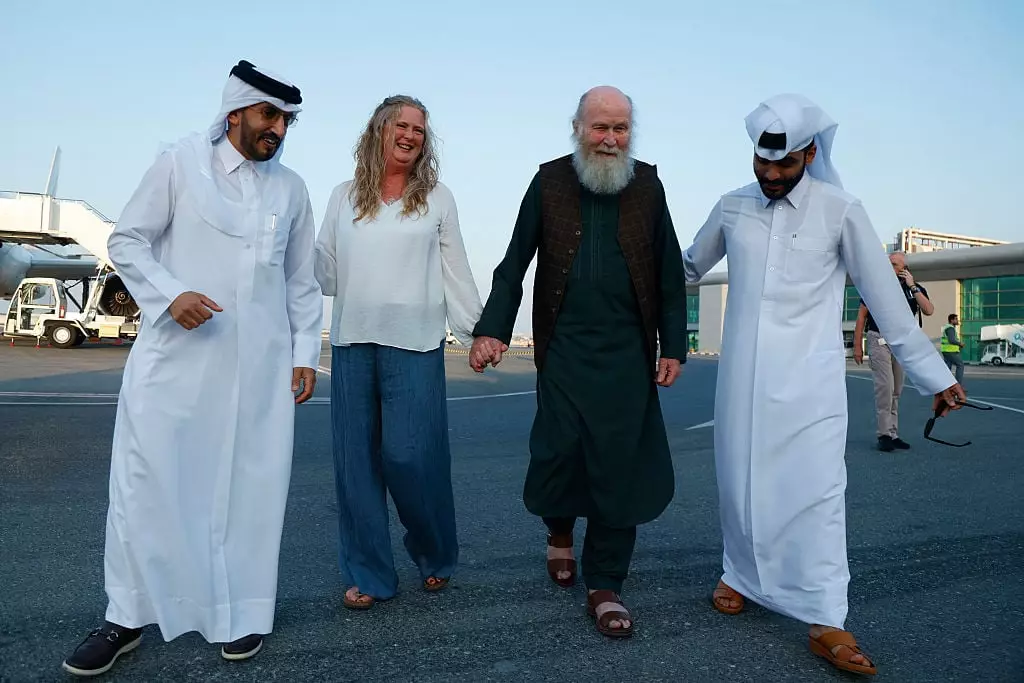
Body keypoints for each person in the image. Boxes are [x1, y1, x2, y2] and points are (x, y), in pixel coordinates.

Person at [682, 93, 965, 676]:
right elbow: (684, 267)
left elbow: (885, 300)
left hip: (810, 384)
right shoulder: (732, 207)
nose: (771, 175)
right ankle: (739, 575)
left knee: (817, 495)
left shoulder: (841, 209)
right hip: (740, 384)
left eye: (783, 165)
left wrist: (934, 375)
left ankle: (826, 618)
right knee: (740, 484)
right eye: (762, 164)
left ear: (810, 153)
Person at [61, 60, 323, 677]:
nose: (278, 130)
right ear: (234, 113)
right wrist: (169, 294)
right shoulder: (179, 163)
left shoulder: (292, 190)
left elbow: (301, 282)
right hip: (175, 369)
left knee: (249, 495)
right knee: (144, 487)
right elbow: (126, 239)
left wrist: (305, 353)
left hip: (256, 377)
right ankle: (123, 618)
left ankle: (244, 614)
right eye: (268, 116)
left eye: (286, 120)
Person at [469, 85, 688, 639]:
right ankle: (559, 532)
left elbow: (667, 273)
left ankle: (606, 583)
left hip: (627, 356)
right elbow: (513, 261)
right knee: (559, 453)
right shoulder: (549, 181)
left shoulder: (648, 186)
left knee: (619, 464)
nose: (611, 139)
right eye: (600, 128)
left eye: (620, 129)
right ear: (578, 128)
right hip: (563, 350)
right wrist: (492, 329)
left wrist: (674, 345)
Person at [313, 95, 483, 610]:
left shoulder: (437, 197)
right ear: (378, 130)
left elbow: (456, 269)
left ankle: (434, 552)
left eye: (419, 129)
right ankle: (370, 574)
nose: (410, 135)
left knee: (411, 458)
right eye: (401, 125)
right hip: (353, 342)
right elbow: (326, 273)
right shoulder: (343, 197)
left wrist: (478, 334)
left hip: (414, 343)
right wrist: (291, 247)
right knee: (356, 466)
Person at [852, 252, 934, 451]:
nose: (891, 268)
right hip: (878, 339)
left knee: (896, 390)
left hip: (901, 343)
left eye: (895, 264)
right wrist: (857, 345)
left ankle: (893, 433)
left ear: (905, 268)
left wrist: (912, 286)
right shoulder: (875, 287)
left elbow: (929, 310)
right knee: (885, 389)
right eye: (889, 264)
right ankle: (884, 434)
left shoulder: (913, 288)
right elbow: (862, 317)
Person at [941, 313, 965, 384]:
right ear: (952, 320)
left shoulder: (948, 328)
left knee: (947, 369)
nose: (957, 321)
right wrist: (960, 343)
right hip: (950, 351)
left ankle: (945, 385)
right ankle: (958, 385)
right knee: (960, 365)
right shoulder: (950, 328)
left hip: (946, 351)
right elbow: (951, 340)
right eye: (956, 319)